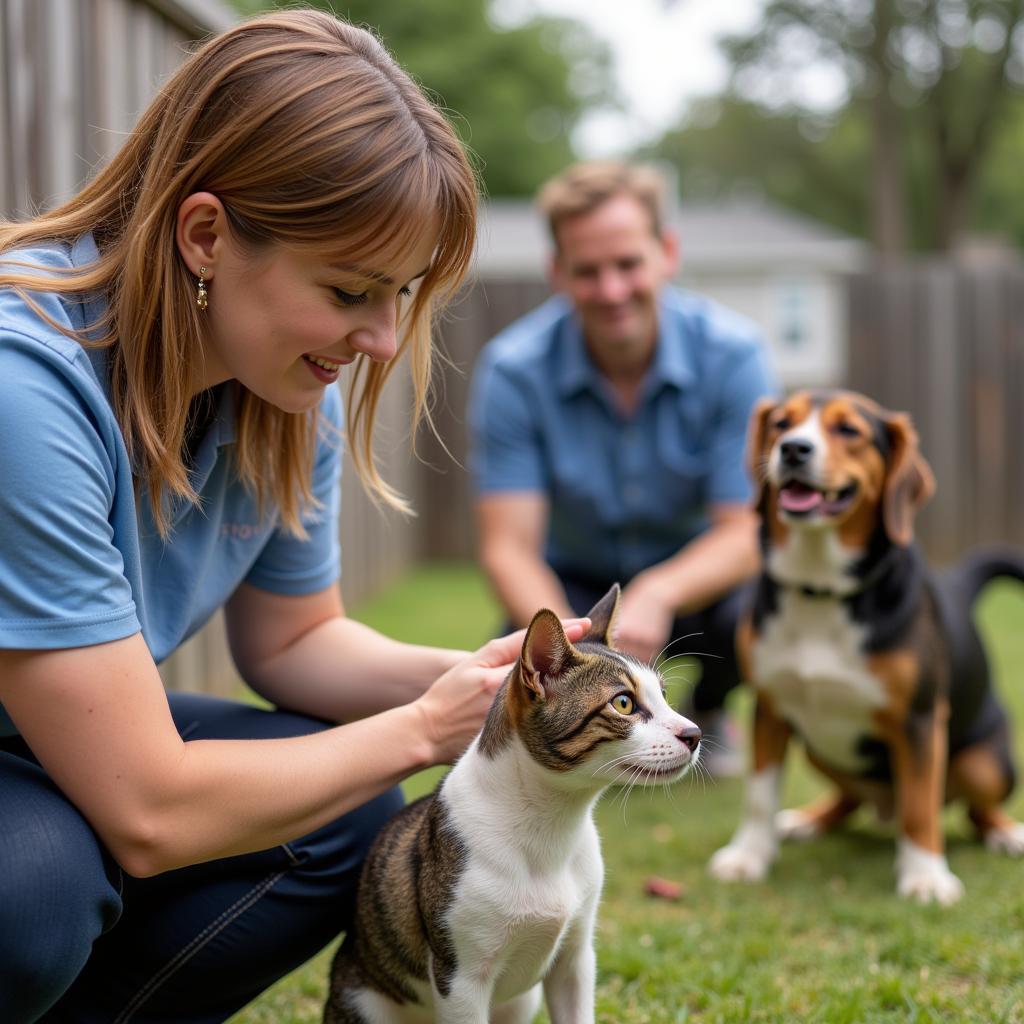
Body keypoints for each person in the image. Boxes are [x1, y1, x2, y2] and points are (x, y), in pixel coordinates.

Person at [0, 12, 591, 1023]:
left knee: (342, 811)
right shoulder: (25, 390)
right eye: (351, 290)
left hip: (53, 733)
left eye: (403, 292)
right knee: (32, 901)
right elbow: (146, 809)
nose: (382, 338)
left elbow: (294, 640)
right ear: (205, 235)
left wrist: (485, 683)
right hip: (56, 757)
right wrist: (419, 730)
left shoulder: (279, 395)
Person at [467, 160, 777, 774]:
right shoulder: (513, 370)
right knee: (521, 641)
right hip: (575, 588)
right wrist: (564, 654)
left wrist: (658, 590)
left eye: (628, 264)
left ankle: (709, 709)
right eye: (588, 271)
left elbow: (746, 530)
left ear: (666, 253)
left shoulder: (735, 357)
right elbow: (508, 547)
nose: (611, 290)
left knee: (761, 605)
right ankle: (564, 738)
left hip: (694, 583)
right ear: (557, 273)